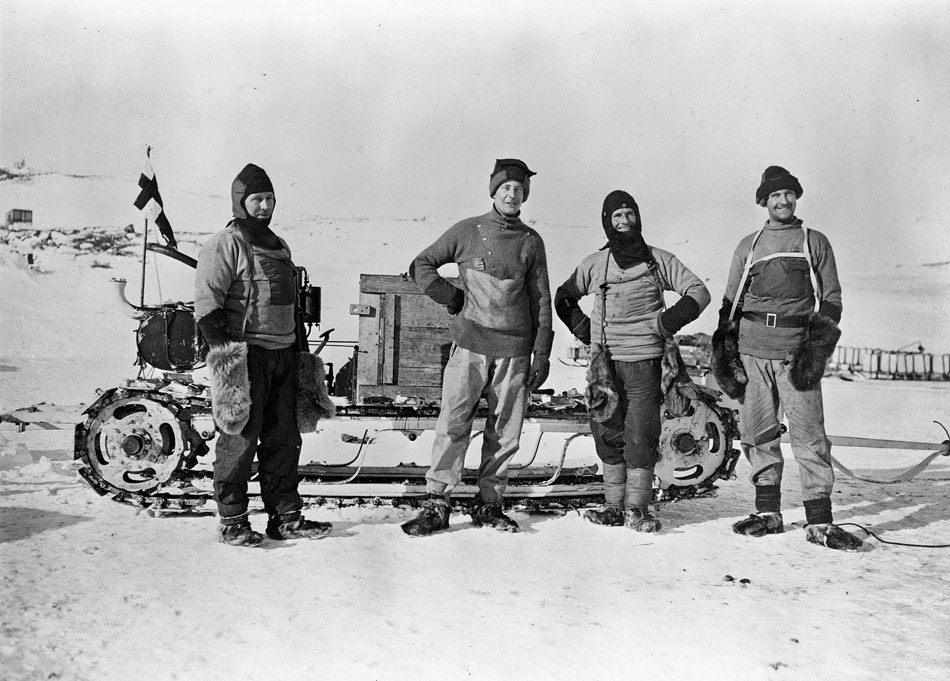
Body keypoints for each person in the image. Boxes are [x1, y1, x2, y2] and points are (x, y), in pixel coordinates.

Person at [711, 165, 863, 551]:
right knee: (757, 433)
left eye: (788, 194)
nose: (783, 201)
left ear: (796, 198)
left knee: (810, 437)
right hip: (752, 350)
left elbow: (832, 300)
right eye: (775, 196)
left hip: (796, 354)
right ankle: (768, 513)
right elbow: (729, 304)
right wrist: (725, 353)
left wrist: (814, 351)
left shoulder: (814, 241)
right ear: (764, 201)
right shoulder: (749, 245)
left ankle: (819, 521)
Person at [400, 158, 553, 536]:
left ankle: (489, 505)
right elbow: (422, 265)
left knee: (505, 432)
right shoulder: (468, 231)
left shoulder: (531, 242)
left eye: (519, 190)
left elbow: (542, 301)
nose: (512, 194)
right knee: (453, 423)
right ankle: (437, 503)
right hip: (469, 347)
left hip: (514, 353)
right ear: (494, 192)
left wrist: (542, 353)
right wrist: (451, 298)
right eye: (506, 188)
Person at [194, 163, 332, 547]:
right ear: (241, 201)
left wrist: (301, 354)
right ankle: (233, 521)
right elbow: (207, 304)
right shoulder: (226, 243)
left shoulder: (279, 245)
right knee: (239, 438)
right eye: (256, 199)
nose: (264, 206)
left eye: (270, 198)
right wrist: (227, 361)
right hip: (247, 356)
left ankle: (285, 517)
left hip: (285, 354)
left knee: (285, 440)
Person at [556, 190, 710, 531]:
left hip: (646, 363)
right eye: (616, 217)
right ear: (607, 223)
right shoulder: (595, 264)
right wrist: (584, 328)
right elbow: (564, 297)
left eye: (630, 215)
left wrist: (667, 323)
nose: (624, 222)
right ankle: (613, 507)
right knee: (607, 432)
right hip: (605, 366)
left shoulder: (659, 260)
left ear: (638, 218)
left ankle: (636, 509)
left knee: (641, 435)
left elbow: (699, 291)